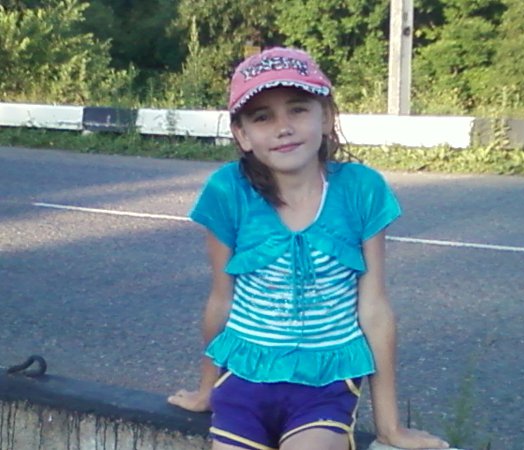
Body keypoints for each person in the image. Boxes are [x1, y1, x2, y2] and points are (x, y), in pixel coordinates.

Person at [168, 46, 449, 450]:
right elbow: (220, 300)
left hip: (324, 387)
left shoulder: (361, 189)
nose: (283, 128)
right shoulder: (227, 191)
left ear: (327, 117)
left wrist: (389, 427)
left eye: (298, 109)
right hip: (244, 380)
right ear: (242, 135)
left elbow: (375, 308)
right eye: (262, 117)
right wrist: (205, 391)